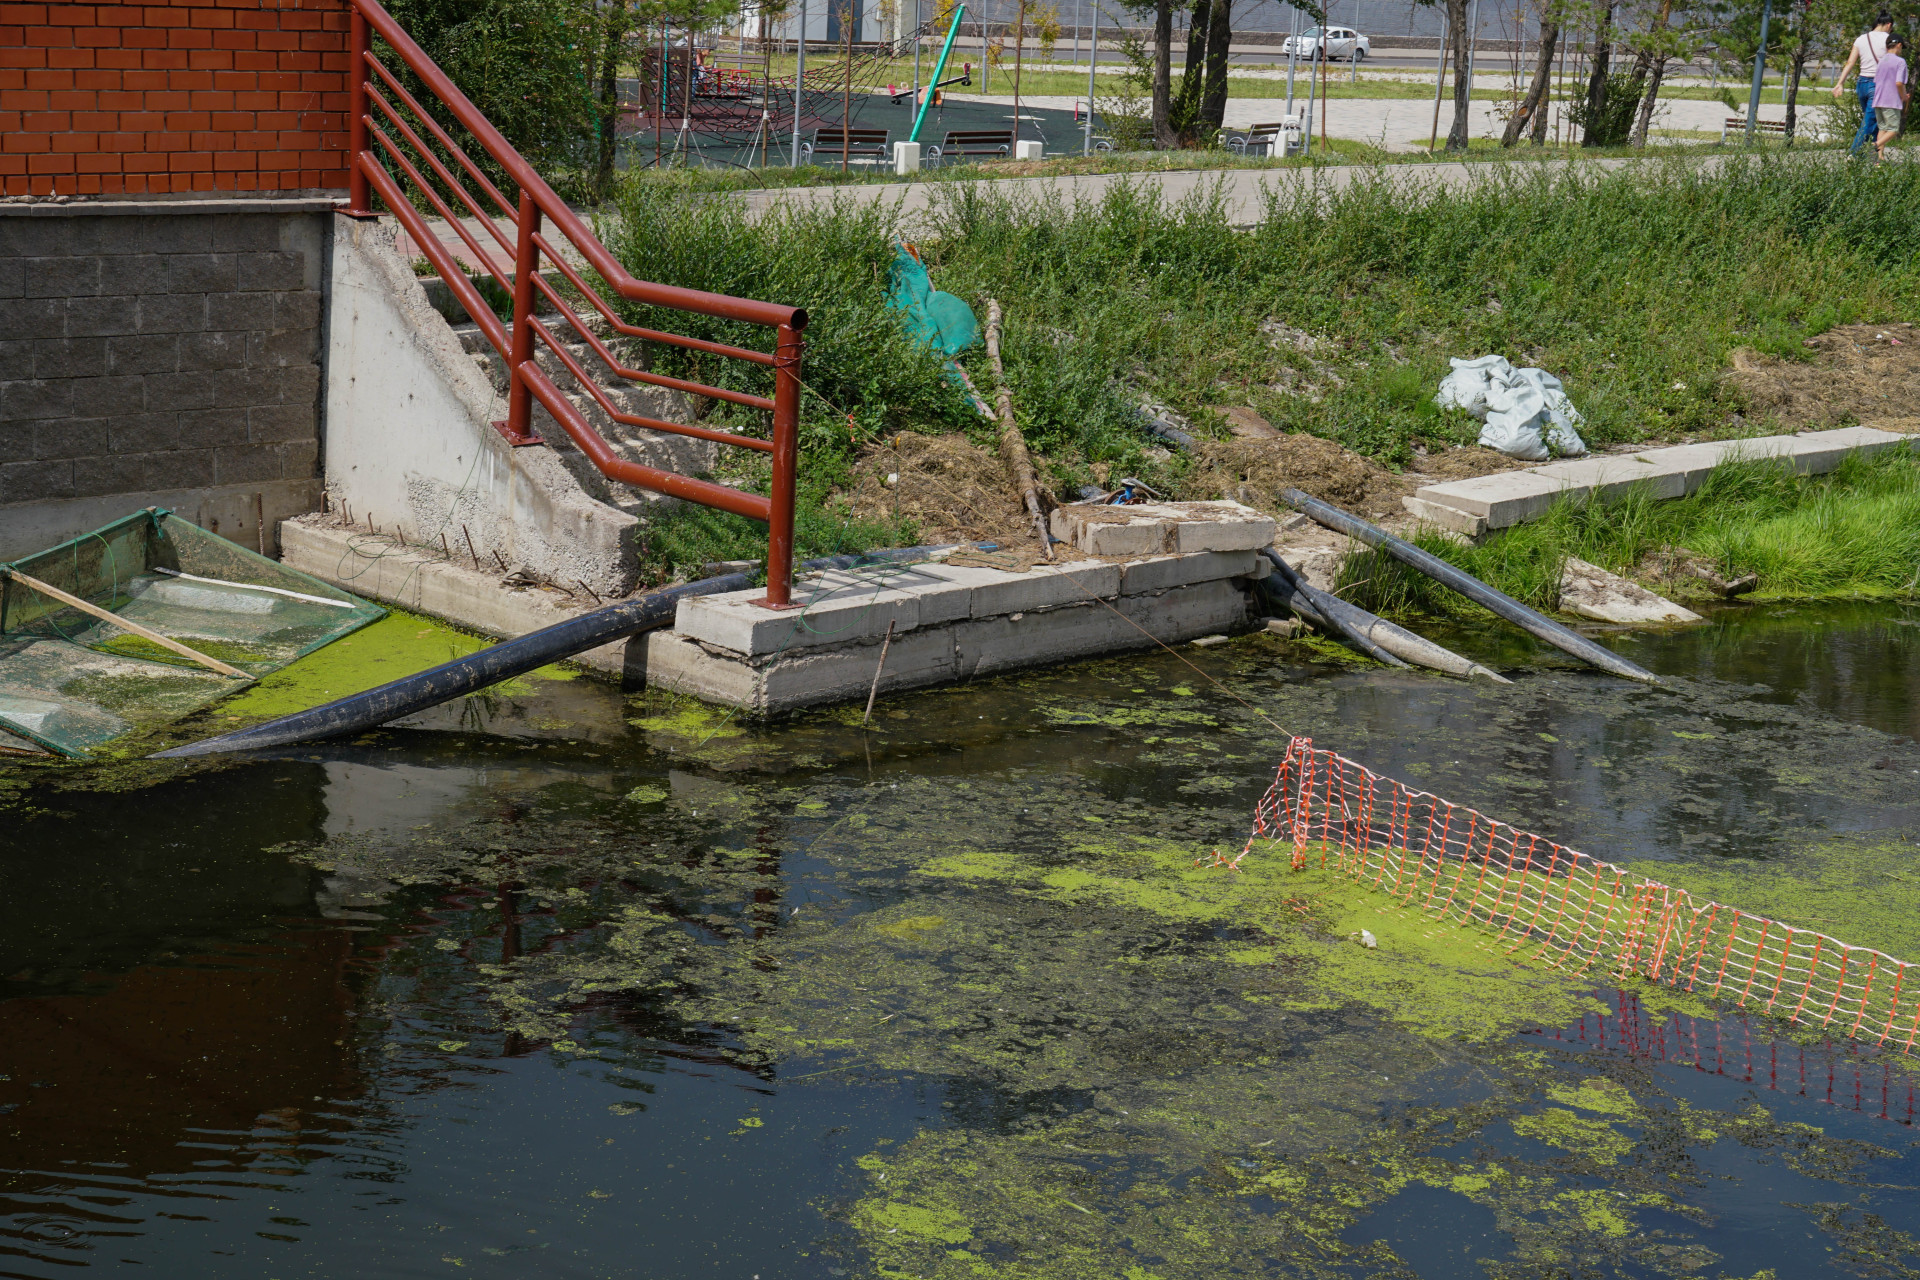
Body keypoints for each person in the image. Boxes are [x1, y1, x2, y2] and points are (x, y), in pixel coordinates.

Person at [1835, 11, 1895, 153]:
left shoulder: (1861, 39)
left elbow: (1850, 62)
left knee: (1873, 121)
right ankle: (1854, 155)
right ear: (1889, 25)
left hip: (1861, 84)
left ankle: (1873, 157)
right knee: (1869, 123)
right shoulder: (1889, 39)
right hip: (1878, 85)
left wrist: (1840, 83)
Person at [1875, 33, 1910, 160]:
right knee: (1894, 129)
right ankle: (1874, 146)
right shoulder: (1900, 62)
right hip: (1891, 101)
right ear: (1899, 45)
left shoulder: (1881, 60)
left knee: (1882, 128)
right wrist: (1903, 96)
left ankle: (1879, 158)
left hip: (1878, 100)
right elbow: (1899, 82)